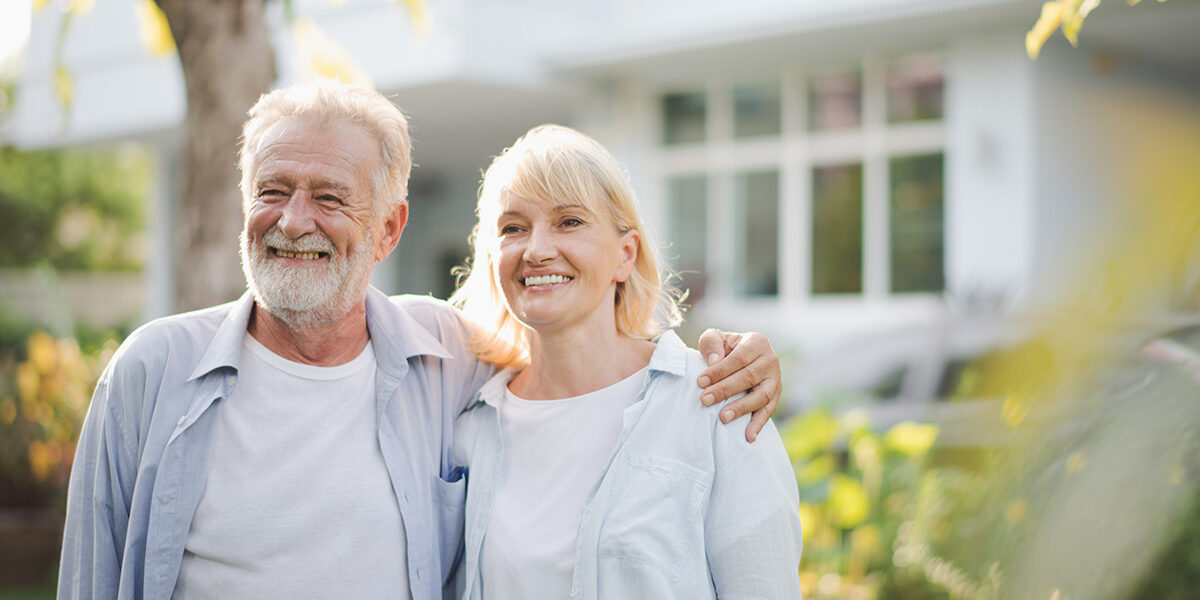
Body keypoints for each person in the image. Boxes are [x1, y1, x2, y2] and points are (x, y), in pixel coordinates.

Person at [56, 80, 784, 600]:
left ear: (390, 230)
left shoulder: (443, 360)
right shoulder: (152, 373)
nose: (293, 220)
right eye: (272, 191)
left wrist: (733, 358)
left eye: (331, 197)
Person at [449, 125, 803, 598]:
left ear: (625, 254)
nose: (535, 250)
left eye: (569, 221)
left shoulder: (715, 402)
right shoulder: (471, 428)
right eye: (513, 228)